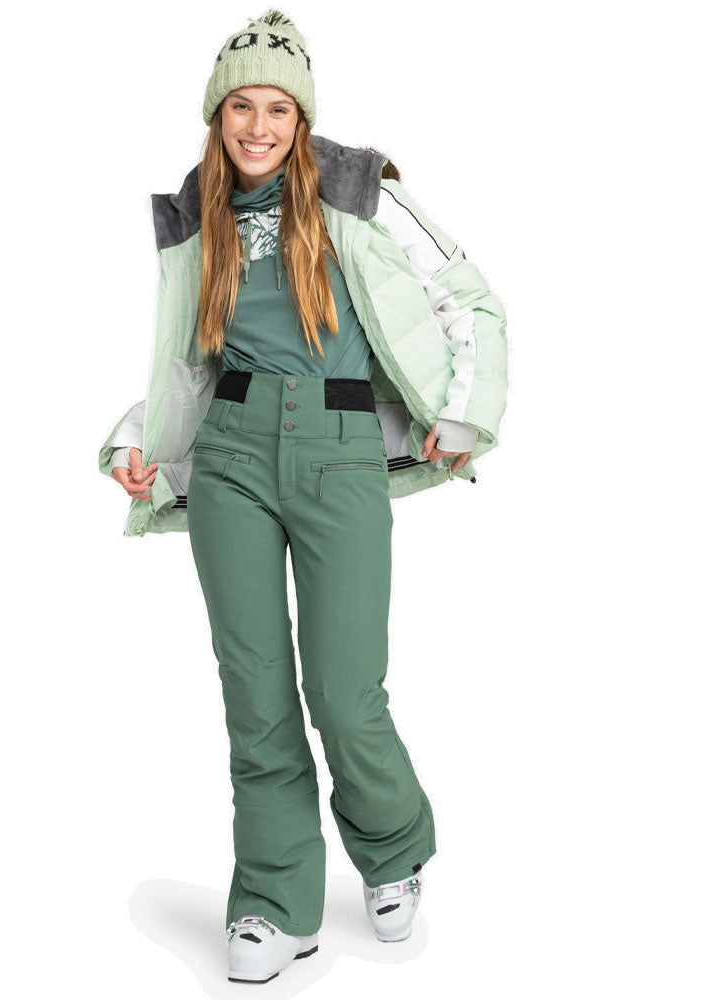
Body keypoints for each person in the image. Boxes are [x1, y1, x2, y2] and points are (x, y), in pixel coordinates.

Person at [99, 8, 508, 985]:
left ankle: (393, 844)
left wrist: (462, 413)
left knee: (343, 691)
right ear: (217, 114)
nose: (258, 126)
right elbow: (187, 366)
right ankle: (275, 902)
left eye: (277, 108)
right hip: (233, 455)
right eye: (240, 106)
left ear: (301, 116)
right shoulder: (196, 212)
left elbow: (469, 297)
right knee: (256, 695)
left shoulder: (359, 189)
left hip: (339, 450)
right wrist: (135, 441)